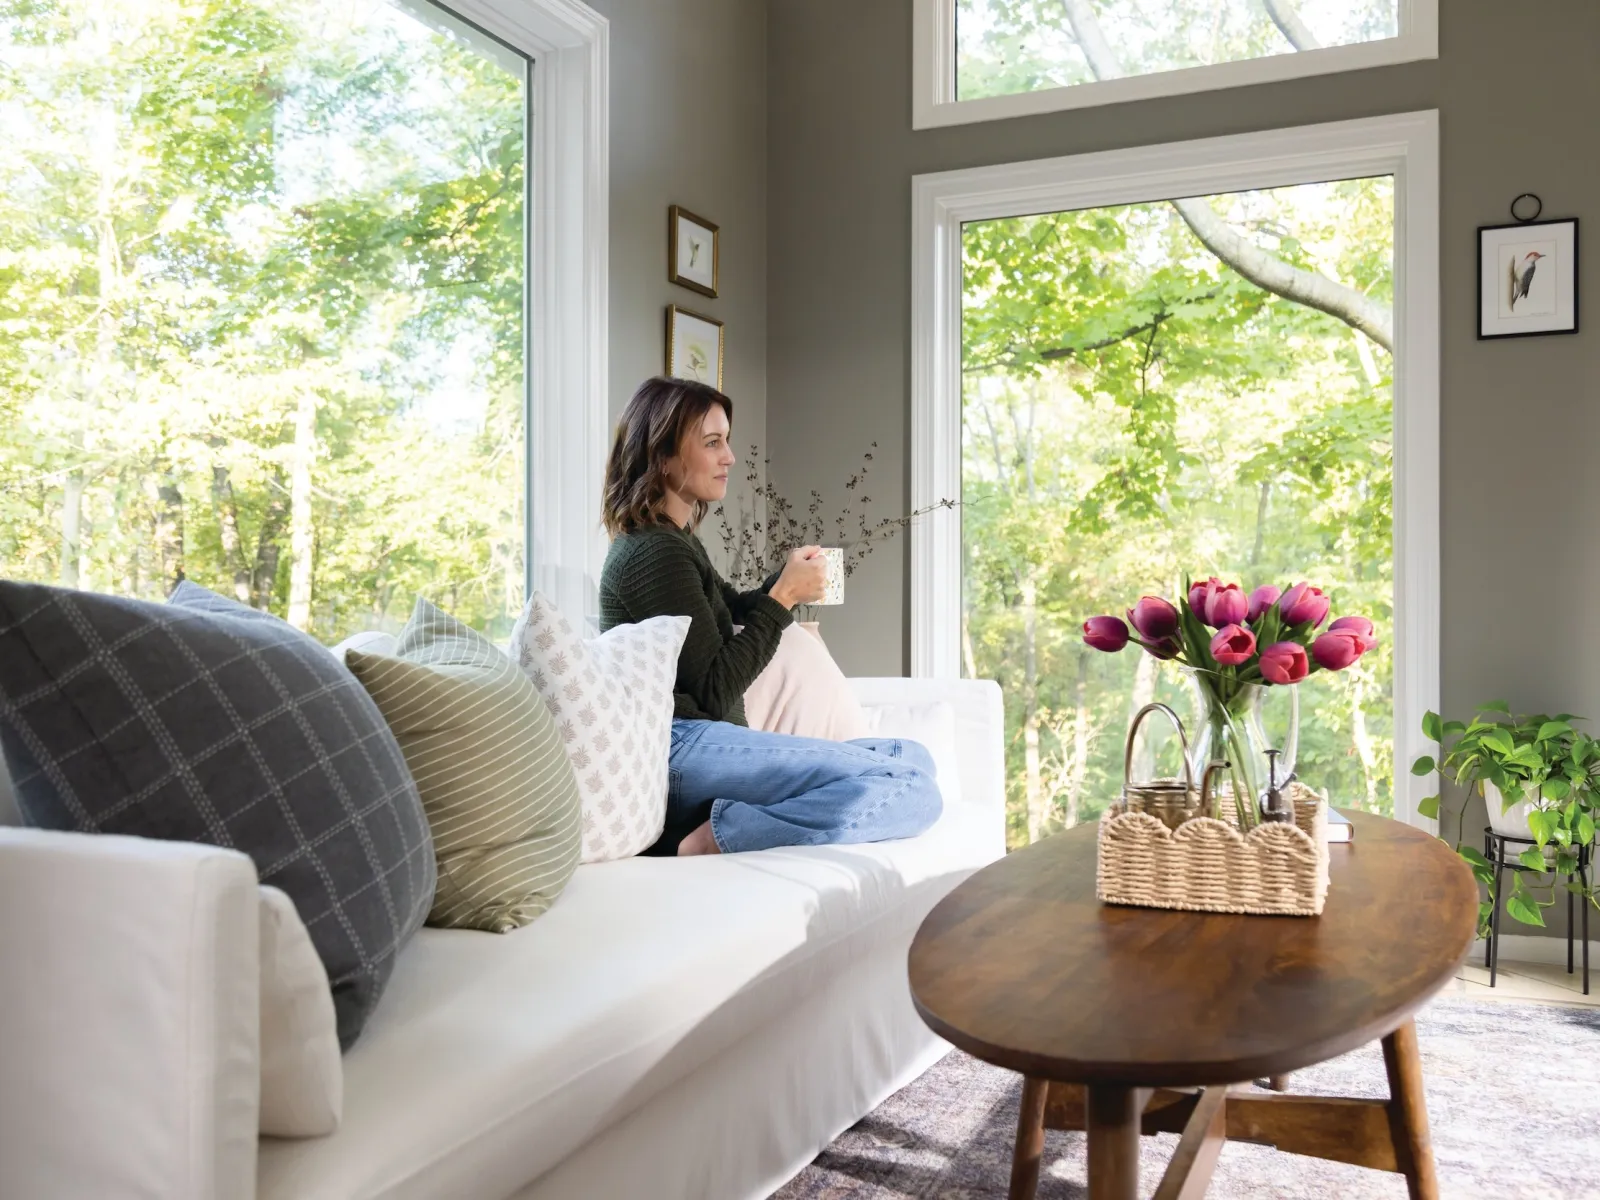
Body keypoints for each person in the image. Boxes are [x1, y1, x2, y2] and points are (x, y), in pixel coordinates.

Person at [599, 376, 942, 856]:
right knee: (913, 789)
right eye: (713, 443)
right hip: (678, 747)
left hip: (703, 743)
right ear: (662, 455)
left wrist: (784, 580)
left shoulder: (675, 543)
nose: (730, 458)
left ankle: (735, 824)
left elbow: (734, 610)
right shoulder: (653, 553)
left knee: (913, 758)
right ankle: (717, 837)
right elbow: (715, 690)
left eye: (727, 441)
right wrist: (782, 596)